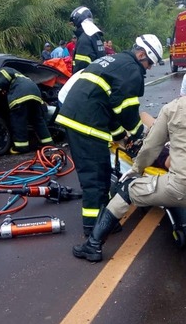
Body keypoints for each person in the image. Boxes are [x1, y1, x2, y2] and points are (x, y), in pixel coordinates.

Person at [72, 56, 186, 276]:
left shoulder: (174, 107)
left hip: (176, 186)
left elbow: (151, 147)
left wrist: (136, 169)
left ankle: (92, 245)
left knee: (127, 190)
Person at [56, 34, 163, 235]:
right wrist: (143, 136)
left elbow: (112, 106)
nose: (148, 68)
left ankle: (103, 220)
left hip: (82, 117)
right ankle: (94, 229)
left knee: (102, 174)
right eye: (149, 63)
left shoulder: (117, 61)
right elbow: (127, 111)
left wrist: (119, 136)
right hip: (86, 123)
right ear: (141, 54)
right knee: (95, 179)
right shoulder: (132, 70)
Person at [0, 67, 53, 154]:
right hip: (35, 94)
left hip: (20, 95)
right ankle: (48, 143)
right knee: (38, 120)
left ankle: (21, 147)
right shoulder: (22, 76)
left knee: (19, 121)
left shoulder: (4, 69)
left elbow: (2, 80)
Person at [69, 6, 105, 73]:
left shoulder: (84, 38)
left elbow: (81, 65)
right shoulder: (95, 35)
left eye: (74, 24)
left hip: (86, 79)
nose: (74, 27)